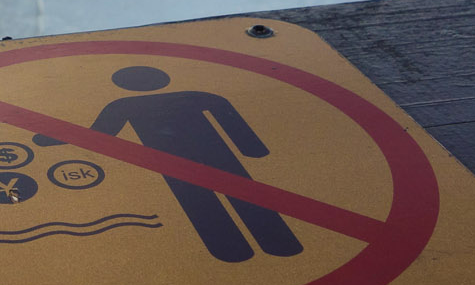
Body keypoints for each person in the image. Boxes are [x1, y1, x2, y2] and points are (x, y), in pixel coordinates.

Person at [35, 65, 303, 263]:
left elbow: (100, 134)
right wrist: (253, 149)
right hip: (213, 155)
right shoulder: (197, 95)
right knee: (240, 196)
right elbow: (232, 121)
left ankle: (233, 251)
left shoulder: (124, 104)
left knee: (201, 203)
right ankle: (279, 244)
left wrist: (51, 139)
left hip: (172, 160)